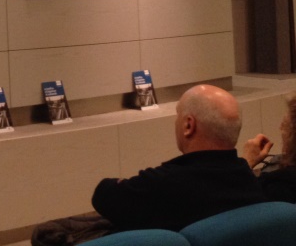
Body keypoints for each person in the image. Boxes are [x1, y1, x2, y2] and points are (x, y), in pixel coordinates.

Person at [33, 84, 266, 245]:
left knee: (47, 233)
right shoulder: (250, 181)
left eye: (177, 115)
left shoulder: (163, 183)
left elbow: (104, 195)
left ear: (188, 125)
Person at [241, 92, 296, 203]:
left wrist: (246, 162)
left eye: (285, 125)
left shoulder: (279, 185)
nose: (280, 128)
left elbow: (235, 196)